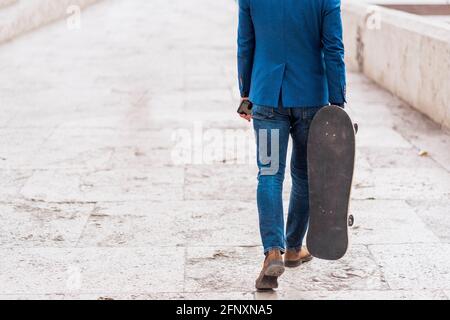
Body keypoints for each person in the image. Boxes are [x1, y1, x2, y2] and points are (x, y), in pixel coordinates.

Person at [237, 0, 347, 290]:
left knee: (270, 173)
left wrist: (246, 93)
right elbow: (334, 48)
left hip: (268, 96)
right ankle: (295, 246)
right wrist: (337, 102)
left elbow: (245, 44)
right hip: (311, 98)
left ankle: (274, 251)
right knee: (304, 174)